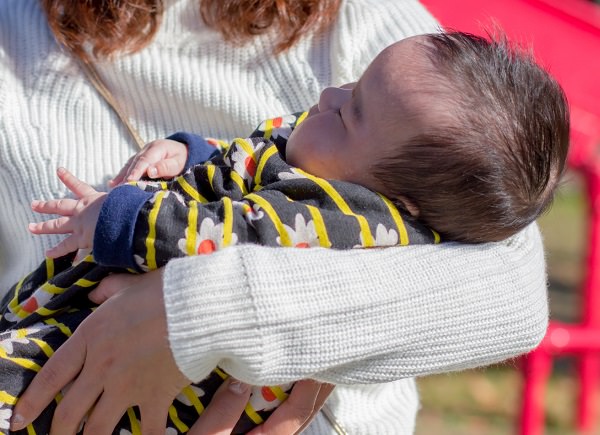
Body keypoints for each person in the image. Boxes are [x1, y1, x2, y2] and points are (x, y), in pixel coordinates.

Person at [0, 1, 551, 434]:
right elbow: (250, 163)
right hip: (63, 356)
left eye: (350, 110)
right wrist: (191, 154)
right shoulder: (12, 34)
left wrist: (197, 313)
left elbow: (513, 292)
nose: (331, 93)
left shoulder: (371, 35)